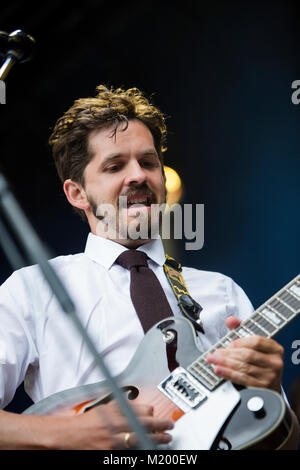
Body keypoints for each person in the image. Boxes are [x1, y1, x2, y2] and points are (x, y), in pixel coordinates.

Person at [0, 85, 298, 450]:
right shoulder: (33, 288)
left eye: (148, 161)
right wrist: (71, 434)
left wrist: (266, 387)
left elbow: (283, 441)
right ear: (77, 194)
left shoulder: (222, 291)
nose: (138, 175)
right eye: (114, 166)